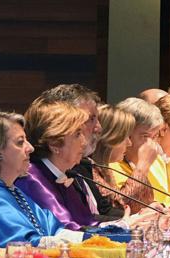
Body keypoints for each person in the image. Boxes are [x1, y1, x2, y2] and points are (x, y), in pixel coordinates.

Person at [0, 110, 82, 247]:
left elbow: (57, 231)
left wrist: (96, 239)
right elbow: (21, 245)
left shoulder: (13, 191)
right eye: (20, 142)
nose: (30, 148)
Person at [36, 83, 124, 220]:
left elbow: (99, 212)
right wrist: (126, 224)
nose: (99, 128)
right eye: (91, 119)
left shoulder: (80, 166)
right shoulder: (35, 176)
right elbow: (71, 225)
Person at [14, 99, 101, 229]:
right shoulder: (32, 178)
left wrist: (126, 224)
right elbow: (67, 230)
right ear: (55, 144)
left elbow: (88, 224)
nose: (84, 141)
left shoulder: (60, 174)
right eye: (78, 134)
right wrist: (123, 226)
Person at [109, 98, 164, 210]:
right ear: (125, 133)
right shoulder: (111, 163)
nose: (151, 145)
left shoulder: (149, 161)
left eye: (154, 137)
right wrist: (142, 167)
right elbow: (120, 208)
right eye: (145, 136)